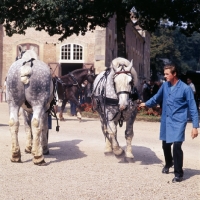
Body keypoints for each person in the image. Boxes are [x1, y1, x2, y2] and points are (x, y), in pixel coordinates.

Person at [140, 64, 199, 183]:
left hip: (178, 121)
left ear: (174, 74)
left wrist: (195, 127)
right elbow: (157, 98)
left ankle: (178, 173)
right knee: (165, 145)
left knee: (177, 146)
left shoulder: (185, 89)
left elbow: (193, 108)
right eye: (164, 74)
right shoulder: (165, 86)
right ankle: (168, 162)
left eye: (167, 74)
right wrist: (146, 103)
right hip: (166, 120)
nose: (165, 76)